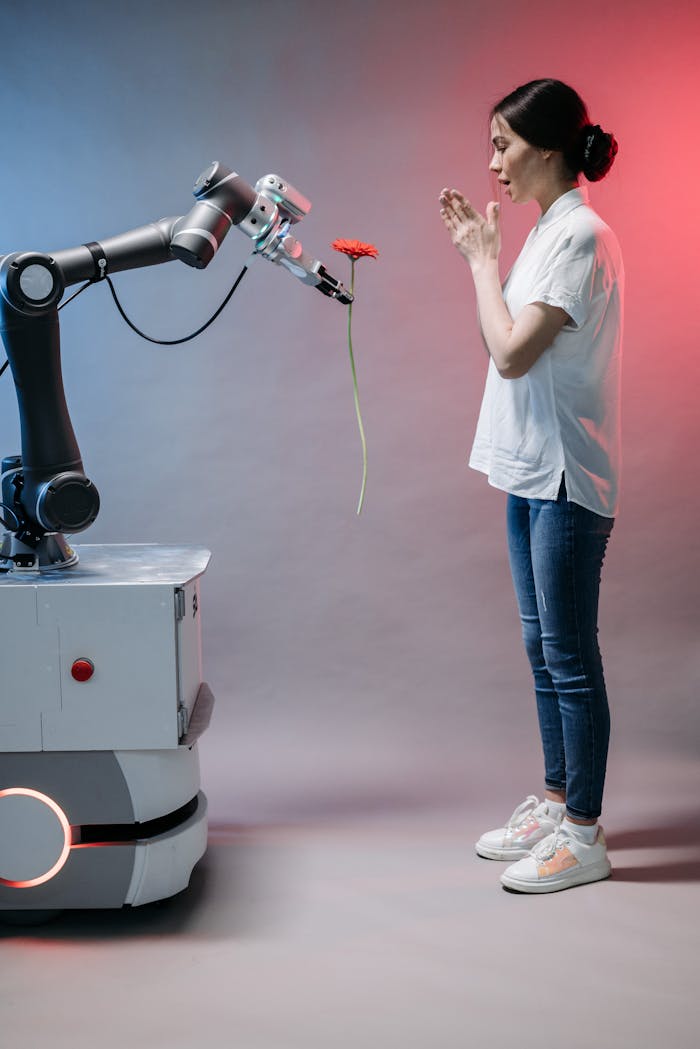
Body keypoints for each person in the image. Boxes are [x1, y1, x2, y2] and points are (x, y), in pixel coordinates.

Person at [439, 79, 622, 893]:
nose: (493, 163)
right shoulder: (550, 230)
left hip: (566, 481)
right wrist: (490, 258)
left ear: (547, 149)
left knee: (570, 658)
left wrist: (481, 260)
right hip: (527, 474)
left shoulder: (581, 235)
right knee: (541, 651)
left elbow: (510, 351)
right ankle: (557, 800)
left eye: (503, 145)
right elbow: (510, 353)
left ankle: (584, 833)